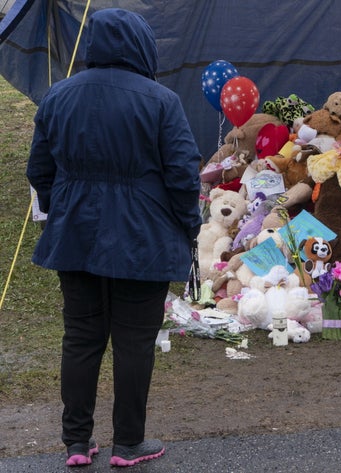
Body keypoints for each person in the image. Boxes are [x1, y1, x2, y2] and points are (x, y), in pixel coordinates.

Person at [26, 8, 202, 468]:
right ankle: (128, 443)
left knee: (81, 338)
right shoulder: (161, 101)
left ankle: (77, 443)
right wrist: (189, 224)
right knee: (133, 342)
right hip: (143, 238)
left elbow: (39, 172)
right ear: (142, 46)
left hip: (75, 235)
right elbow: (183, 176)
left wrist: (63, 208)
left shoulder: (57, 96)